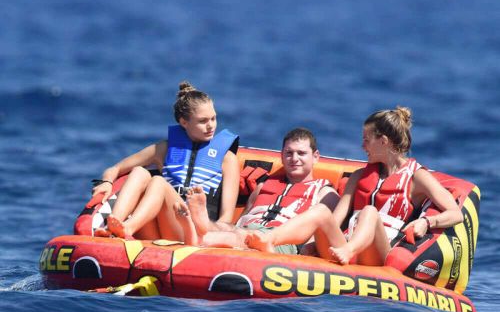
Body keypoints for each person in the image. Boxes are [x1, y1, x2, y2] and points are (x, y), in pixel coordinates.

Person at [246, 107, 464, 265]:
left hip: (375, 252)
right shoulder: (359, 177)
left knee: (369, 212)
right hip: (343, 244)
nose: (362, 146)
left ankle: (348, 250)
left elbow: (456, 214)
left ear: (384, 142)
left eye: (366, 140)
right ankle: (269, 240)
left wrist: (427, 222)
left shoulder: (417, 177)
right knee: (321, 211)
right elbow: (336, 218)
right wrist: (310, 244)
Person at [92, 81, 240, 240]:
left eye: (213, 118)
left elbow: (226, 218)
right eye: (203, 121)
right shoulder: (164, 149)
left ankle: (127, 228)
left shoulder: (227, 159)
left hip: (194, 234)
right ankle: (113, 224)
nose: (211, 126)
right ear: (184, 122)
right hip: (161, 227)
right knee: (139, 172)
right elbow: (115, 168)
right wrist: (106, 182)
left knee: (158, 182)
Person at [174, 127, 340, 254]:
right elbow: (242, 219)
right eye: (289, 153)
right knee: (228, 228)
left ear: (315, 156)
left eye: (301, 153)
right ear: (281, 156)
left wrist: (303, 257)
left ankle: (200, 233)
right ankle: (204, 227)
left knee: (242, 236)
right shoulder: (263, 185)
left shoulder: (325, 193)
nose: (294, 158)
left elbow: (320, 233)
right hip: (248, 229)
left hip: (280, 242)